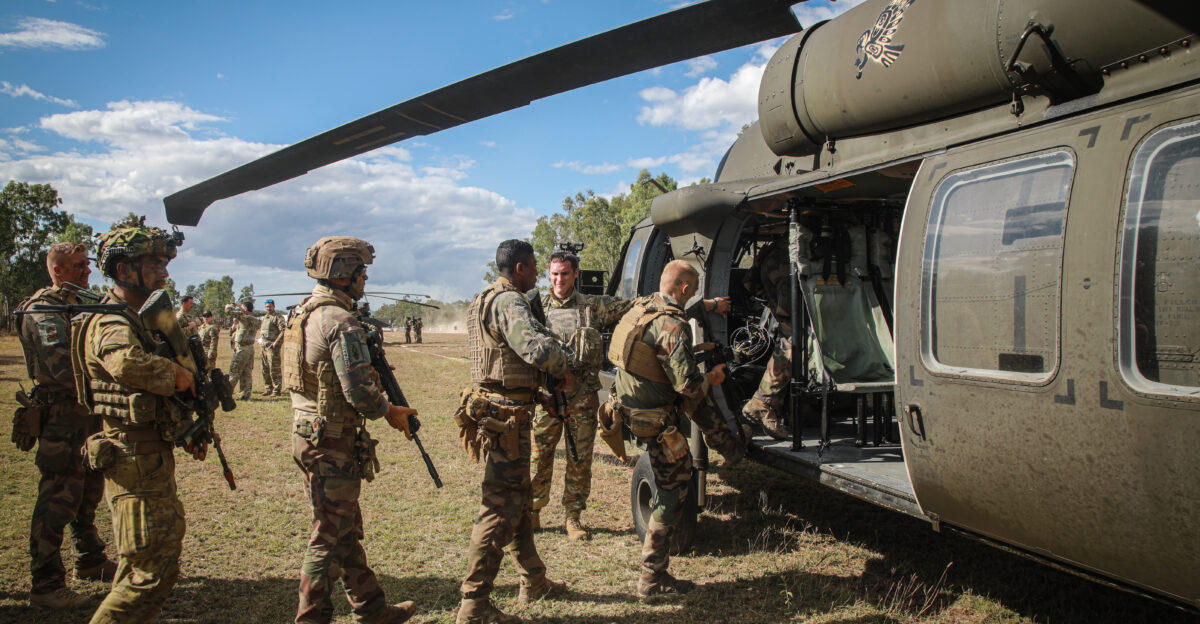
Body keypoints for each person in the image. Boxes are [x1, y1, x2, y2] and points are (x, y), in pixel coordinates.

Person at [71, 218, 204, 623]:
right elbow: (124, 363)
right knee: (150, 573)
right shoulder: (112, 321)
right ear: (123, 269)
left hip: (148, 454)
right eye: (154, 264)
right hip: (133, 457)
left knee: (145, 565)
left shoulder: (139, 317)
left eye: (166, 263)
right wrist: (178, 376)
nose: (164, 272)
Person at [284, 236, 418, 624]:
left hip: (309, 430)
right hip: (331, 438)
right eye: (362, 271)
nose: (365, 279)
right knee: (328, 536)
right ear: (345, 274)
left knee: (343, 528)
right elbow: (360, 394)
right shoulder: (339, 321)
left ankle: (371, 607)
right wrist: (389, 410)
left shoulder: (303, 312)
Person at [606, 259, 744, 598]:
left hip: (630, 408)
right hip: (656, 422)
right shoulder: (671, 327)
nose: (693, 296)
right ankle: (651, 579)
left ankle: (728, 446)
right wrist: (711, 378)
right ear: (682, 288)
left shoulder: (643, 308)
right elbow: (690, 390)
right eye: (693, 291)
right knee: (671, 495)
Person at [453, 239, 573, 624]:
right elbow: (534, 350)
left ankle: (533, 580)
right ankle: (474, 606)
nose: (538, 273)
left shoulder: (482, 298)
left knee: (519, 501)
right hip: (507, 417)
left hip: (502, 411)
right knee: (499, 510)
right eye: (535, 266)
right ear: (519, 268)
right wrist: (565, 362)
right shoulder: (509, 301)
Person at [14, 242, 116, 610]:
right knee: (58, 497)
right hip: (61, 415)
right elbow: (60, 367)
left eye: (87, 265)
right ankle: (45, 584)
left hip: (86, 411)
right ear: (57, 270)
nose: (87, 272)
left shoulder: (83, 302)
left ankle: (89, 559)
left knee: (89, 488)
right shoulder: (44, 309)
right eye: (77, 266)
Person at [739, 241, 793, 439]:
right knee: (792, 348)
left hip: (779, 312)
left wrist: (771, 302)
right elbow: (788, 299)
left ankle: (769, 407)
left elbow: (748, 283)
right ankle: (762, 402)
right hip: (790, 316)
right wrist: (783, 311)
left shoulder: (770, 252)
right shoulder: (783, 259)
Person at [226, 299, 261, 400]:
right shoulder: (254, 319)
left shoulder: (244, 318)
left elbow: (228, 311)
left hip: (241, 349)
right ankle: (246, 395)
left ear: (245, 308)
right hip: (250, 348)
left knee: (234, 371)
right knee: (247, 372)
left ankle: (227, 394)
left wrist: (233, 304)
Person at [258, 299, 287, 396]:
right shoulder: (265, 317)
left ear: (274, 306)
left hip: (272, 348)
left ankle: (276, 390)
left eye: (270, 306)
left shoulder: (278, 317)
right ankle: (268, 388)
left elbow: (283, 331)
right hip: (264, 347)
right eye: (266, 306)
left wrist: (276, 343)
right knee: (265, 369)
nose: (268, 308)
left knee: (274, 369)